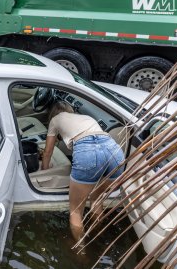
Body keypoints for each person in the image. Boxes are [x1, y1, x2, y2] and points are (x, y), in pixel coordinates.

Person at [41, 101, 125, 242]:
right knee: (96, 199)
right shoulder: (86, 117)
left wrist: (44, 170)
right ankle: (98, 238)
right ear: (70, 110)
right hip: (114, 150)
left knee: (75, 211)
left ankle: (81, 253)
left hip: (87, 152)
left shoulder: (55, 120)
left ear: (53, 113)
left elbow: (48, 151)